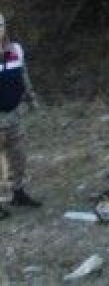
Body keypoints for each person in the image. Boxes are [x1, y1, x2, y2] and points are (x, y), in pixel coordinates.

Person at [0, 12, 41, 218]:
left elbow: (23, 75)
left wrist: (31, 98)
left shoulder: (15, 50)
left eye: (0, 26)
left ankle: (18, 192)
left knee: (19, 155)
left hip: (14, 113)